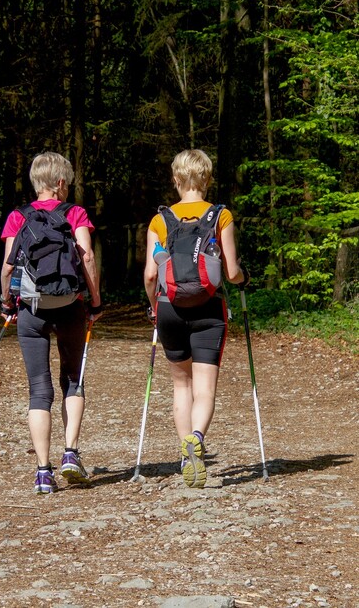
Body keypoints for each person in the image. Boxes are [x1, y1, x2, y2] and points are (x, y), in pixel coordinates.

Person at [144, 148, 249, 489]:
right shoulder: (220, 215)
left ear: (176, 180)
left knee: (181, 385)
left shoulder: (160, 221)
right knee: (204, 387)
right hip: (208, 308)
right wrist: (243, 278)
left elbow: (150, 274)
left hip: (169, 307)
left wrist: (153, 308)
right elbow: (231, 272)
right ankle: (198, 438)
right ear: (207, 179)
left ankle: (186, 455)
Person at [0, 152, 103, 494]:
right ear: (61, 183)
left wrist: (6, 302)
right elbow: (86, 257)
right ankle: (70, 453)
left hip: (31, 309)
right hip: (70, 304)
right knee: (73, 378)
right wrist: (95, 300)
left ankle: (43, 472)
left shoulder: (18, 217)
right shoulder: (75, 214)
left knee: (38, 390)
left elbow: (9, 267)